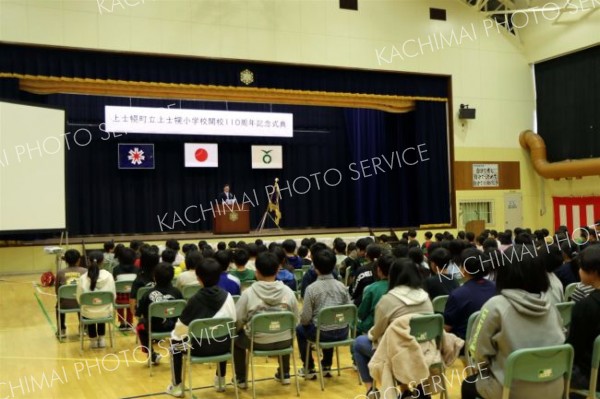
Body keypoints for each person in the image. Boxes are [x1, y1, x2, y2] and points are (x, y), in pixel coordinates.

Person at [461, 244, 566, 399]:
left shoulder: (495, 306)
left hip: (511, 390)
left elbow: (477, 352)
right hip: (555, 387)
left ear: (503, 272)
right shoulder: (551, 306)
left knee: (468, 384)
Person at [353, 258, 433, 398]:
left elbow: (377, 332)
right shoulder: (426, 297)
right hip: (426, 350)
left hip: (398, 354)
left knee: (359, 343)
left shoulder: (388, 299)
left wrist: (370, 333)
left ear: (392, 275)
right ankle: (406, 391)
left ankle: (371, 390)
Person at [166, 258, 237, 398]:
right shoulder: (228, 296)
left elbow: (180, 331)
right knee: (224, 333)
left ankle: (176, 386)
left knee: (174, 345)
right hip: (224, 345)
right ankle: (221, 379)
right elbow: (232, 322)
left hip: (197, 348)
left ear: (198, 278)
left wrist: (175, 336)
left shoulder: (194, 300)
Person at [233, 252, 299, 387]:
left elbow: (238, 320)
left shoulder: (248, 293)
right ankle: (285, 374)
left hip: (257, 341)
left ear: (256, 272)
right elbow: (295, 320)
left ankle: (241, 379)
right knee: (284, 329)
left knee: (235, 340)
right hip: (284, 340)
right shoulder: (288, 292)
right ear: (277, 270)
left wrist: (238, 330)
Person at [297, 248, 352, 379]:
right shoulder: (342, 287)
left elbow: (305, 319)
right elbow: (349, 308)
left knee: (300, 329)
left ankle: (309, 367)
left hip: (322, 333)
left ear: (315, 267)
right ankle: (326, 365)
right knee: (330, 322)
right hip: (343, 332)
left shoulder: (311, 289)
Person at [136, 263, 184, 365]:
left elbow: (139, 314)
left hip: (155, 328)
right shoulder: (177, 292)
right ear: (172, 277)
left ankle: (152, 354)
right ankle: (177, 351)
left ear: (154, 277)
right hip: (175, 328)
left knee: (140, 325)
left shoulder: (147, 294)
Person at [568, 245, 600, 395]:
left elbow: (573, 351)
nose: (579, 271)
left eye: (581, 268)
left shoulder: (585, 307)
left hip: (592, 376)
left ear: (593, 272)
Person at [443, 247, 495, 340]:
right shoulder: (496, 288)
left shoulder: (457, 294)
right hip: (492, 341)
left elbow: (447, 327)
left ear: (464, 269)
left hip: (465, 344)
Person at [76, 251, 116, 349]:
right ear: (102, 262)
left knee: (91, 311)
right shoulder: (109, 276)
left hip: (88, 313)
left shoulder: (82, 278)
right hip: (105, 312)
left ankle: (93, 340)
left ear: (89, 261)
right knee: (101, 309)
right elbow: (113, 296)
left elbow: (79, 298)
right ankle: (102, 339)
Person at [357, 253, 393, 335]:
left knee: (355, 324)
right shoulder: (400, 286)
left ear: (379, 270)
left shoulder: (371, 288)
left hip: (374, 328)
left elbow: (361, 314)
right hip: (395, 327)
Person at [55, 249, 87, 339]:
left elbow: (57, 291)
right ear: (79, 260)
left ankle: (62, 330)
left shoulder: (60, 273)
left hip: (65, 303)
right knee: (83, 301)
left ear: (65, 260)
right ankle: (83, 328)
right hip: (81, 302)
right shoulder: (85, 271)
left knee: (58, 306)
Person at [112, 247, 138, 331]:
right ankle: (130, 322)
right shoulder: (137, 269)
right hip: (133, 298)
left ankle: (122, 323)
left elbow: (114, 282)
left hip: (119, 298)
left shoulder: (116, 269)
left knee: (119, 301)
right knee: (131, 301)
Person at [130, 249, 159, 316]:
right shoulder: (162, 276)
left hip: (144, 313)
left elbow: (132, 300)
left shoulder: (138, 280)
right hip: (162, 310)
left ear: (142, 261)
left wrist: (136, 314)